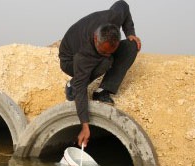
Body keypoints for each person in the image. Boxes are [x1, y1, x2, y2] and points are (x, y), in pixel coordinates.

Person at [59, 1, 142, 148]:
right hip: (69, 60)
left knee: (131, 46)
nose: (107, 54)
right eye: (103, 51)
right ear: (96, 39)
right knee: (105, 62)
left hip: (93, 50)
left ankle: (102, 90)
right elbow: (82, 90)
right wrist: (85, 125)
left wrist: (130, 33)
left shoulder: (114, 17)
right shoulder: (84, 54)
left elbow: (123, 4)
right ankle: (71, 84)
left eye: (111, 51)